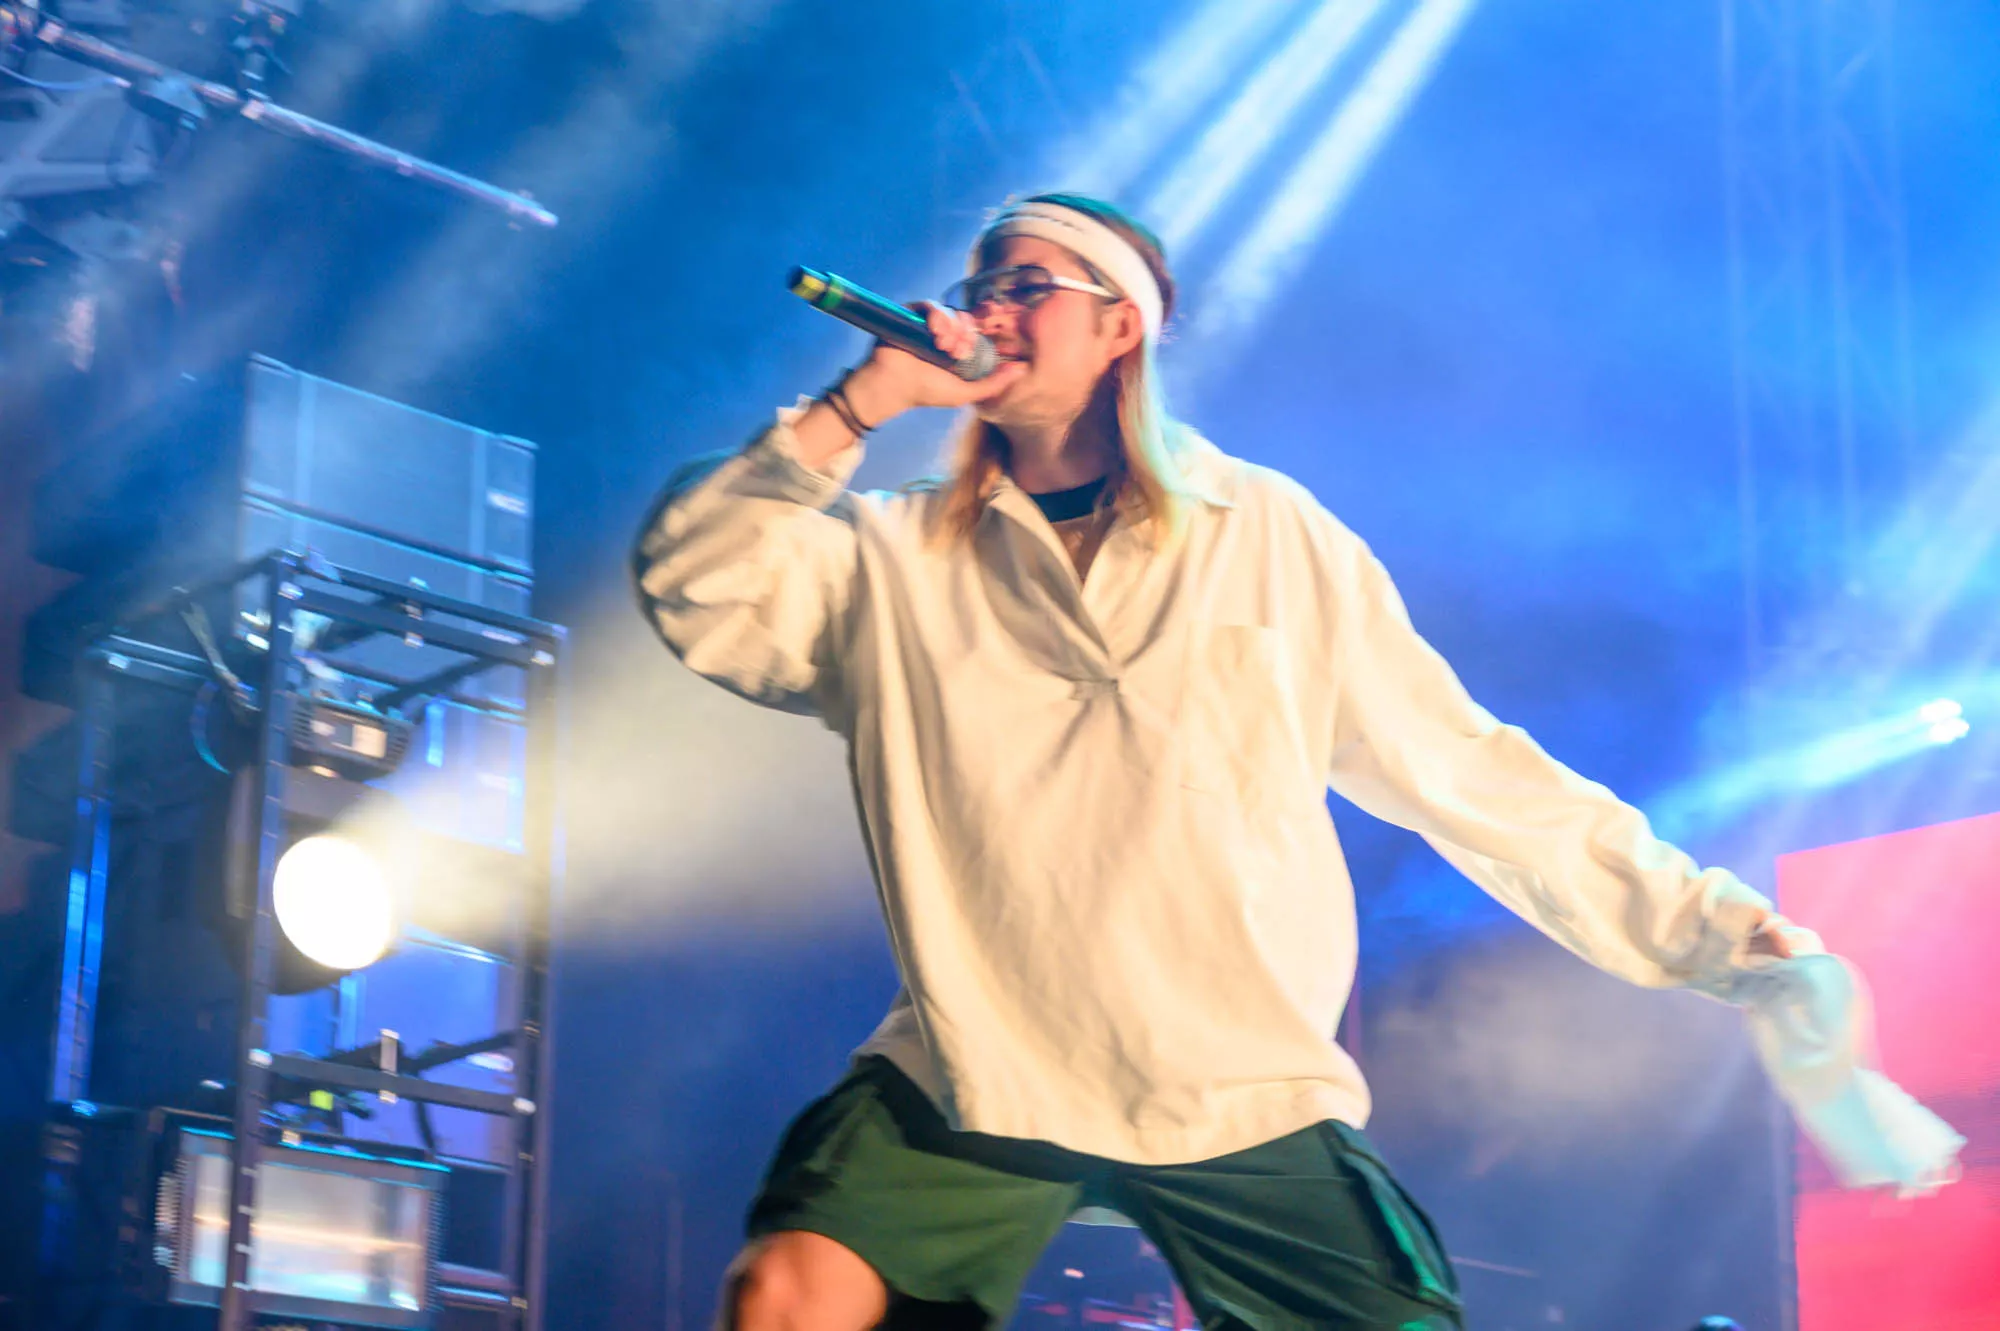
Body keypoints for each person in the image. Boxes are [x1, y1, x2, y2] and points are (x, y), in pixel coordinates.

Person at [632, 195, 1953, 1330]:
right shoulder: (897, 554)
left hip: (1232, 1072)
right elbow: (699, 581)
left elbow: (1468, 769)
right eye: (982, 285)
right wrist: (860, 403)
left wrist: (1718, 930)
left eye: (1029, 285)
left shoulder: (1264, 533)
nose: (989, 309)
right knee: (787, 1290)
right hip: (982, 1057)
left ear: (1120, 327)